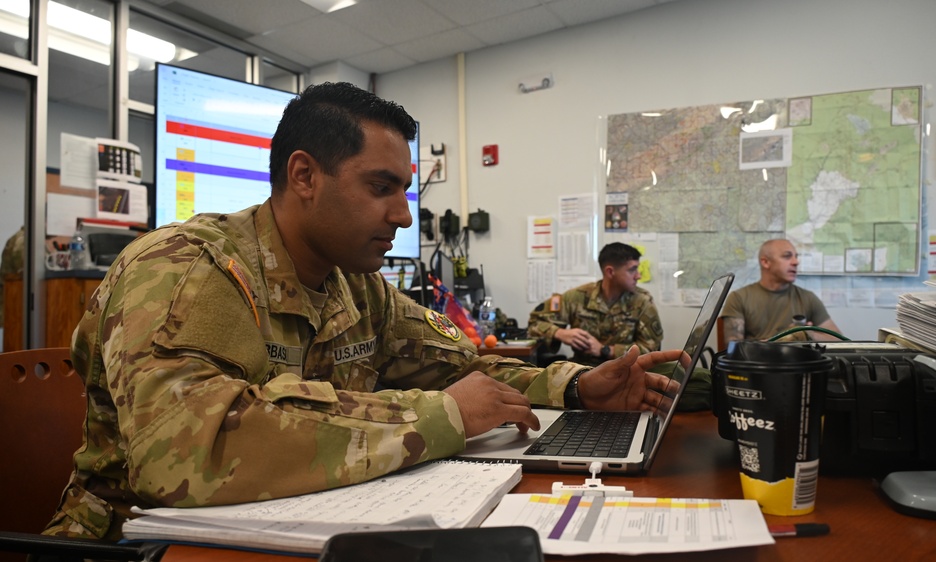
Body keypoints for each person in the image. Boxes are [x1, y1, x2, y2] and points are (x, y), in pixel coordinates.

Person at [43, 83, 687, 541]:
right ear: (304, 176)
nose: (404, 215)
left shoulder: (359, 286)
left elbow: (457, 369)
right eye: (381, 188)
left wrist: (574, 386)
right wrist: (439, 417)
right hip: (138, 543)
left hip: (293, 528)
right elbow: (185, 454)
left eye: (404, 191)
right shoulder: (191, 267)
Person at [527, 242, 663, 367]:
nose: (638, 275)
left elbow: (652, 349)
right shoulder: (577, 297)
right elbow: (535, 323)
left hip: (625, 372)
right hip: (583, 372)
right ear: (610, 272)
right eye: (632, 270)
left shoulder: (642, 301)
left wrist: (606, 350)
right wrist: (559, 332)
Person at [720, 238, 842, 343]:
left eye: (796, 257)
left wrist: (808, 334)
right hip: (757, 367)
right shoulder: (739, 298)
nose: (796, 262)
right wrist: (785, 339)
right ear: (765, 262)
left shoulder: (808, 298)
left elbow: (840, 341)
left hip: (798, 367)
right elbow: (733, 349)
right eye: (787, 256)